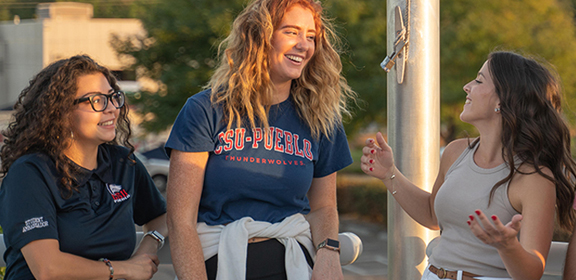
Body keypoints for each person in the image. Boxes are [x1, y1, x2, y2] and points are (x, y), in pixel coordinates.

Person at [165, 0, 356, 279]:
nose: (304, 45)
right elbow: (180, 221)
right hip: (217, 262)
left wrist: (329, 254)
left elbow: (324, 207)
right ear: (259, 38)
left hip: (293, 264)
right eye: (291, 32)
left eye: (311, 36)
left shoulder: (321, 119)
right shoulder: (204, 110)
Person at [362, 51, 576, 280]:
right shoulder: (455, 151)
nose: (467, 86)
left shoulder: (535, 179)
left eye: (479, 80)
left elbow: (532, 272)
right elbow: (431, 215)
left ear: (502, 100)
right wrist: (389, 174)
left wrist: (508, 246)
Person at [0, 55, 168, 280]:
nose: (111, 109)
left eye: (113, 97)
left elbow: (162, 216)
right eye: (97, 100)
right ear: (61, 112)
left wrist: (148, 247)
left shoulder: (122, 163)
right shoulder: (30, 173)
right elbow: (48, 269)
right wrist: (124, 269)